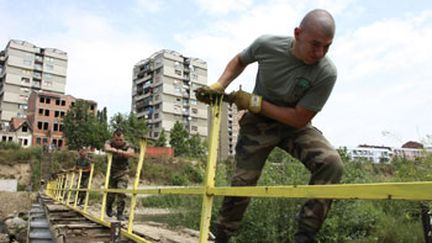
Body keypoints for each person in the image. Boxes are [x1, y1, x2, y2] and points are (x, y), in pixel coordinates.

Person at [196, 9, 344, 243]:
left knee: (331, 163)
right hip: (258, 126)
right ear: (297, 33)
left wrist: (255, 103)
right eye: (315, 45)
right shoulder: (267, 45)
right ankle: (223, 236)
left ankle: (305, 236)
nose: (320, 53)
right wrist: (219, 85)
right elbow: (239, 60)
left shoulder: (326, 72)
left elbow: (299, 118)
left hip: (294, 124)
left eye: (327, 46)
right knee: (242, 183)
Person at [104, 128, 135, 220]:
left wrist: (122, 152)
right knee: (110, 194)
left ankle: (120, 213)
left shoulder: (127, 145)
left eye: (121, 140)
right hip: (111, 172)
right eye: (116, 140)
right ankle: (108, 208)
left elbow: (130, 153)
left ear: (124, 139)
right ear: (114, 138)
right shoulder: (109, 142)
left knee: (121, 192)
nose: (118, 142)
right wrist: (117, 151)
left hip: (122, 172)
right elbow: (106, 147)